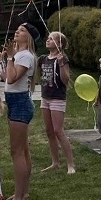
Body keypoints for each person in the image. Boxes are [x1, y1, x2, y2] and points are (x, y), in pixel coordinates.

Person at [2, 22, 38, 200]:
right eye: (18, 28)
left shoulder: (25, 56)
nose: (17, 31)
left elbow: (11, 78)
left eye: (22, 30)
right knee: (23, 150)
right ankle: (24, 192)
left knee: (16, 152)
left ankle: (19, 196)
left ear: (29, 37)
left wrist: (9, 59)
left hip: (20, 104)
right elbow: (5, 77)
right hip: (16, 102)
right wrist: (5, 59)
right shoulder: (20, 55)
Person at [38, 31, 75, 175]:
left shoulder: (63, 58)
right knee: (49, 131)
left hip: (57, 98)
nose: (48, 40)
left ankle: (71, 164)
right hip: (45, 97)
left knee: (58, 131)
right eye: (47, 38)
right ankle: (55, 162)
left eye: (51, 39)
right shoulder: (43, 59)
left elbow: (66, 80)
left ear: (59, 44)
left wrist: (60, 64)